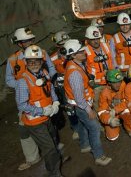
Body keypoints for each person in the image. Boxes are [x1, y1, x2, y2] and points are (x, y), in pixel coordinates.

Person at [6, 27, 56, 171]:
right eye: (26, 41)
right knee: (24, 130)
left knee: (47, 121)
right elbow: (9, 79)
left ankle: (52, 149)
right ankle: (32, 158)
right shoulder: (13, 59)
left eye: (31, 39)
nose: (30, 42)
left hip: (41, 95)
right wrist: (24, 85)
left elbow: (51, 69)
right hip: (25, 97)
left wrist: (45, 82)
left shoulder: (42, 53)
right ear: (19, 44)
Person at [63, 39, 112, 166]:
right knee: (94, 128)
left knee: (82, 125)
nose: (84, 52)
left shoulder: (76, 64)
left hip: (78, 105)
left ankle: (84, 145)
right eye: (80, 51)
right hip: (81, 106)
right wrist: (89, 110)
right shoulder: (75, 73)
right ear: (73, 55)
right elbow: (79, 97)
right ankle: (99, 156)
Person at [16, 45, 62, 176]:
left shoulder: (44, 73)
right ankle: (54, 174)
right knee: (50, 149)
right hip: (35, 122)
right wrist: (42, 111)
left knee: (54, 140)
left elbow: (50, 89)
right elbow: (22, 106)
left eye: (37, 61)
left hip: (47, 117)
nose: (34, 64)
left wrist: (56, 101)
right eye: (31, 61)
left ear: (42, 62)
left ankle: (53, 166)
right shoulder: (23, 81)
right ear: (25, 62)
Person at [50, 31, 79, 140]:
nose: (65, 46)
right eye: (62, 44)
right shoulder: (52, 59)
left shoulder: (73, 54)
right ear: (58, 46)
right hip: (64, 88)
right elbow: (50, 73)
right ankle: (76, 127)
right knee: (69, 108)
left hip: (77, 83)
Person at [98, 69, 131, 140]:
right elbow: (101, 111)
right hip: (110, 113)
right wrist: (109, 120)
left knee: (127, 111)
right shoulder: (104, 93)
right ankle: (114, 124)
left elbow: (127, 101)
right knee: (112, 137)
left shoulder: (123, 85)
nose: (118, 84)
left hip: (119, 109)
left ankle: (130, 129)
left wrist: (116, 110)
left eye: (119, 81)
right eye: (115, 82)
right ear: (109, 83)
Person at [85, 25, 114, 111]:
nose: (96, 41)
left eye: (97, 38)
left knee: (112, 103)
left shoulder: (106, 46)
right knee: (99, 107)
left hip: (110, 81)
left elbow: (112, 60)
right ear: (88, 40)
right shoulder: (85, 52)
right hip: (97, 85)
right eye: (93, 39)